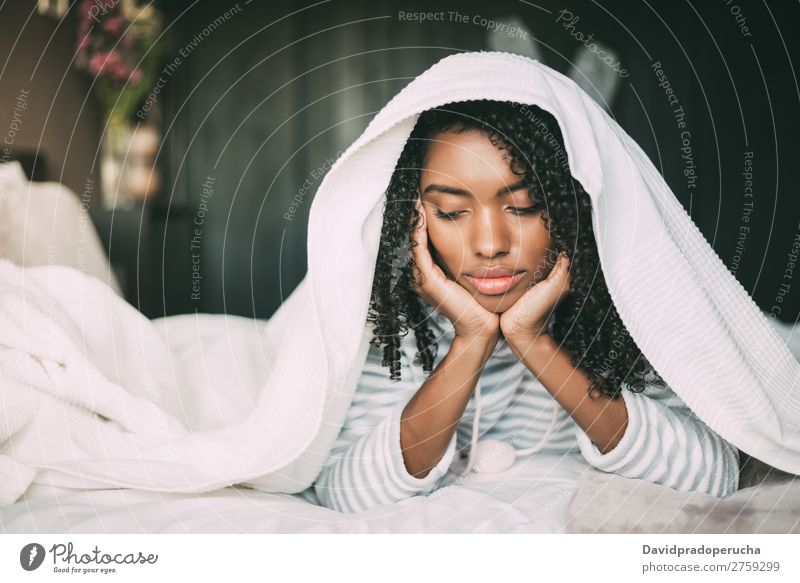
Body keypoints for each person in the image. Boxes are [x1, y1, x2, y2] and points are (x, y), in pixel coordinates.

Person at [311, 99, 740, 514]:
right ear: (412, 221)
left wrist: (532, 340)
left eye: (524, 206)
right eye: (452, 212)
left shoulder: (623, 317)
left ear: (572, 206)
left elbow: (711, 476)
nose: (491, 245)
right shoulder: (397, 330)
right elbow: (345, 491)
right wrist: (471, 340)